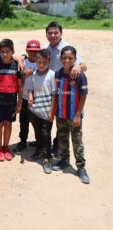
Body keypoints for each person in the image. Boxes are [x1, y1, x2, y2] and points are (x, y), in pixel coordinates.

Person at [45, 21, 87, 157]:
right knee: (54, 118)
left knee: (66, 126)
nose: (53, 35)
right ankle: (49, 143)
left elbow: (83, 65)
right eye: (50, 33)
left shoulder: (67, 48)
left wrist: (78, 67)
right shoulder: (48, 47)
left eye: (55, 33)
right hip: (54, 88)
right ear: (46, 34)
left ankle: (57, 145)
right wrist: (22, 57)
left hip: (66, 88)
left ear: (61, 33)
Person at [52, 46, 90, 184]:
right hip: (61, 114)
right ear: (60, 58)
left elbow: (83, 96)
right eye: (64, 58)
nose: (67, 60)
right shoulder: (58, 73)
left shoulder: (79, 75)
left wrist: (78, 115)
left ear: (75, 59)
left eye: (70, 58)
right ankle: (64, 160)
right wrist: (54, 112)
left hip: (74, 116)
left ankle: (81, 167)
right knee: (62, 138)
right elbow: (56, 93)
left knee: (77, 142)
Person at [0, 39, 23, 161]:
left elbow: (20, 86)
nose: (5, 54)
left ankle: (5, 147)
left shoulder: (17, 67)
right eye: (2, 51)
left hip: (12, 100)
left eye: (7, 51)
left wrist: (19, 103)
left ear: (12, 52)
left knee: (8, 124)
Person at [27, 49, 57, 174]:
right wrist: (30, 96)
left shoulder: (51, 75)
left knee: (46, 135)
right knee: (38, 132)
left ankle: (47, 158)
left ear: (49, 62)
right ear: (36, 61)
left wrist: (51, 112)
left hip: (46, 112)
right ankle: (39, 151)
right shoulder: (32, 74)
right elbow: (30, 89)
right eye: (39, 62)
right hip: (34, 111)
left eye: (44, 62)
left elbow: (54, 95)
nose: (41, 65)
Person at [14, 39, 41, 154]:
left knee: (38, 123)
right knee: (23, 122)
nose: (33, 53)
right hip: (24, 98)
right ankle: (23, 141)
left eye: (36, 51)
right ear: (26, 50)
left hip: (38, 98)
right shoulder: (23, 63)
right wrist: (21, 59)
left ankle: (39, 142)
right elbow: (13, 56)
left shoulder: (42, 62)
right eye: (30, 51)